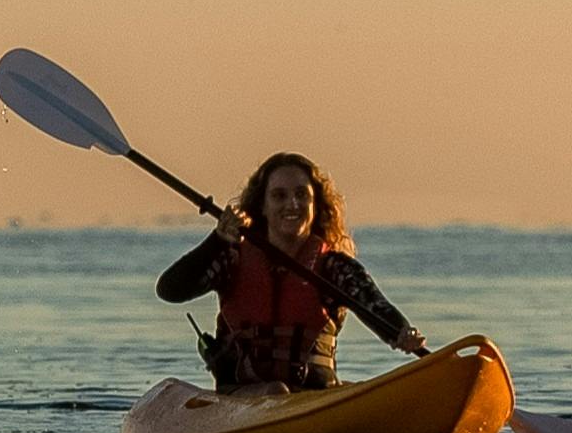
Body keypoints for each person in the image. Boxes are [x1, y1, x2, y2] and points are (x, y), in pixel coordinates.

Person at [155, 151, 428, 391]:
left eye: (302, 195)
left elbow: (374, 305)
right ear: (262, 205)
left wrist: (401, 332)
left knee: (280, 392)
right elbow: (169, 290)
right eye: (279, 196)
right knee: (275, 391)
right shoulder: (231, 258)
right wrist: (217, 240)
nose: (292, 205)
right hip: (243, 396)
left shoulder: (334, 267)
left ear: (315, 206)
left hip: (313, 397)